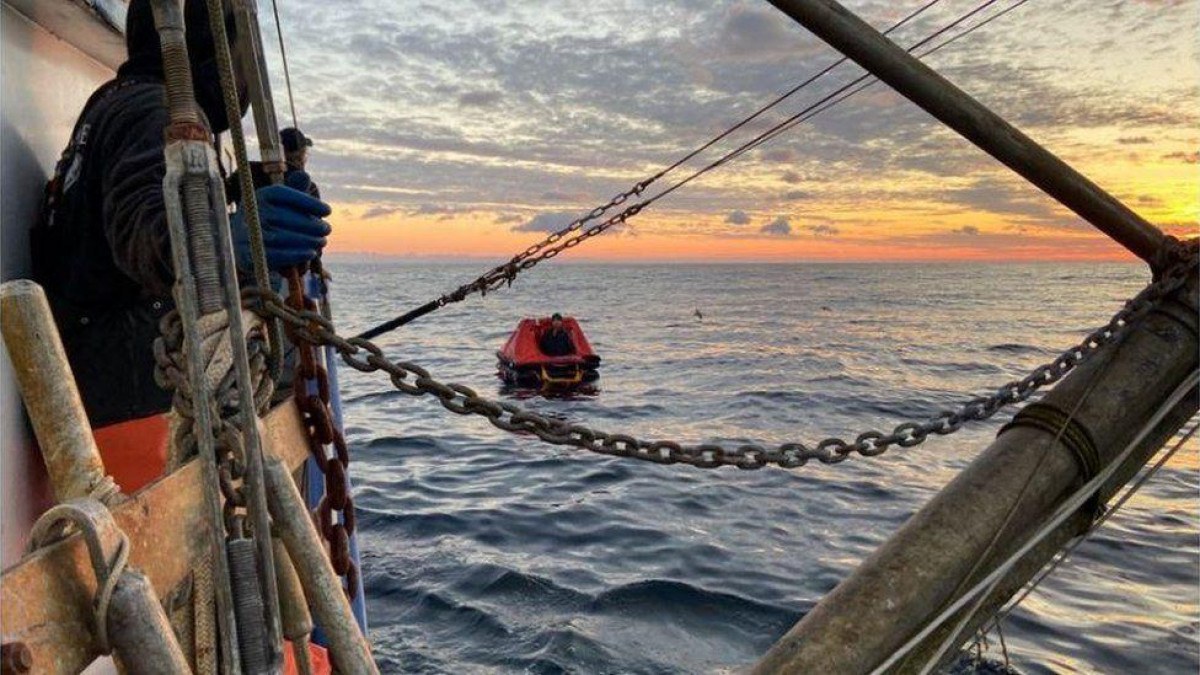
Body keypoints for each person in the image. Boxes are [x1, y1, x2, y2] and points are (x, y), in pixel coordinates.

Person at [31, 0, 331, 488]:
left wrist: (247, 189)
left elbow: (159, 188)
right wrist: (229, 243)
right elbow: (143, 228)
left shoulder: (116, 99)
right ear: (214, 48)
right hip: (138, 417)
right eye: (240, 53)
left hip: (98, 397)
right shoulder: (155, 108)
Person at [225, 126, 320, 202]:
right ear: (300, 157)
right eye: (305, 154)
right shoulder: (309, 188)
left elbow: (223, 196)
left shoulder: (247, 172)